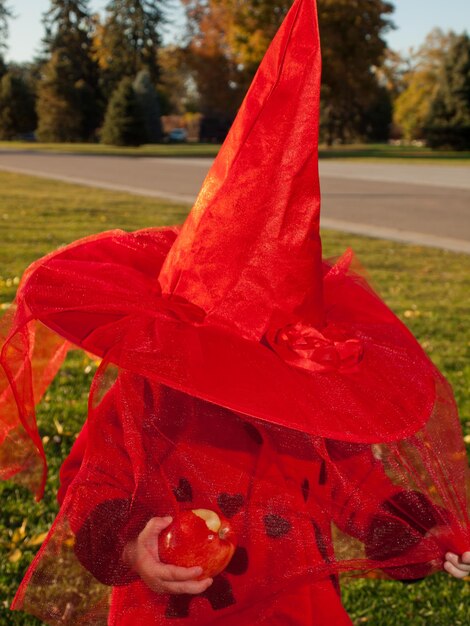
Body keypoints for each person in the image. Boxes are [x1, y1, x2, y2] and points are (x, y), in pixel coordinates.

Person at [1, 0, 469, 624]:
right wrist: (134, 544)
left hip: (294, 611)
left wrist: (428, 536)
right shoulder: (148, 397)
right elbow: (93, 487)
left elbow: (358, 489)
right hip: (170, 612)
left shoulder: (307, 404)